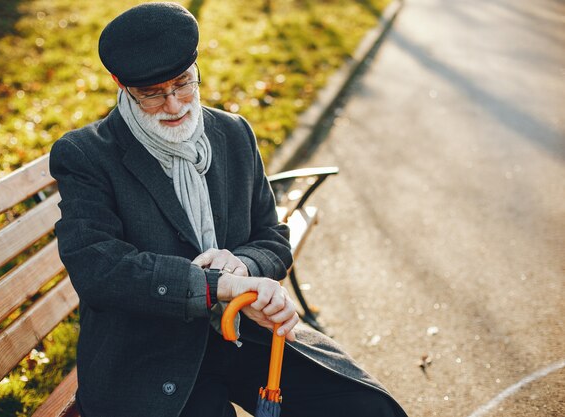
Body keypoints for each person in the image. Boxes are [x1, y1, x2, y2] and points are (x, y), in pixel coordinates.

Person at [50, 3, 408, 417]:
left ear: (196, 67)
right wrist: (214, 285)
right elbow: (99, 268)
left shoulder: (233, 134)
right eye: (151, 94)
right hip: (149, 354)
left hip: (243, 332)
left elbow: (272, 237)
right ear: (120, 83)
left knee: (368, 408)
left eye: (184, 83)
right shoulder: (86, 154)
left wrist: (243, 267)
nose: (174, 105)